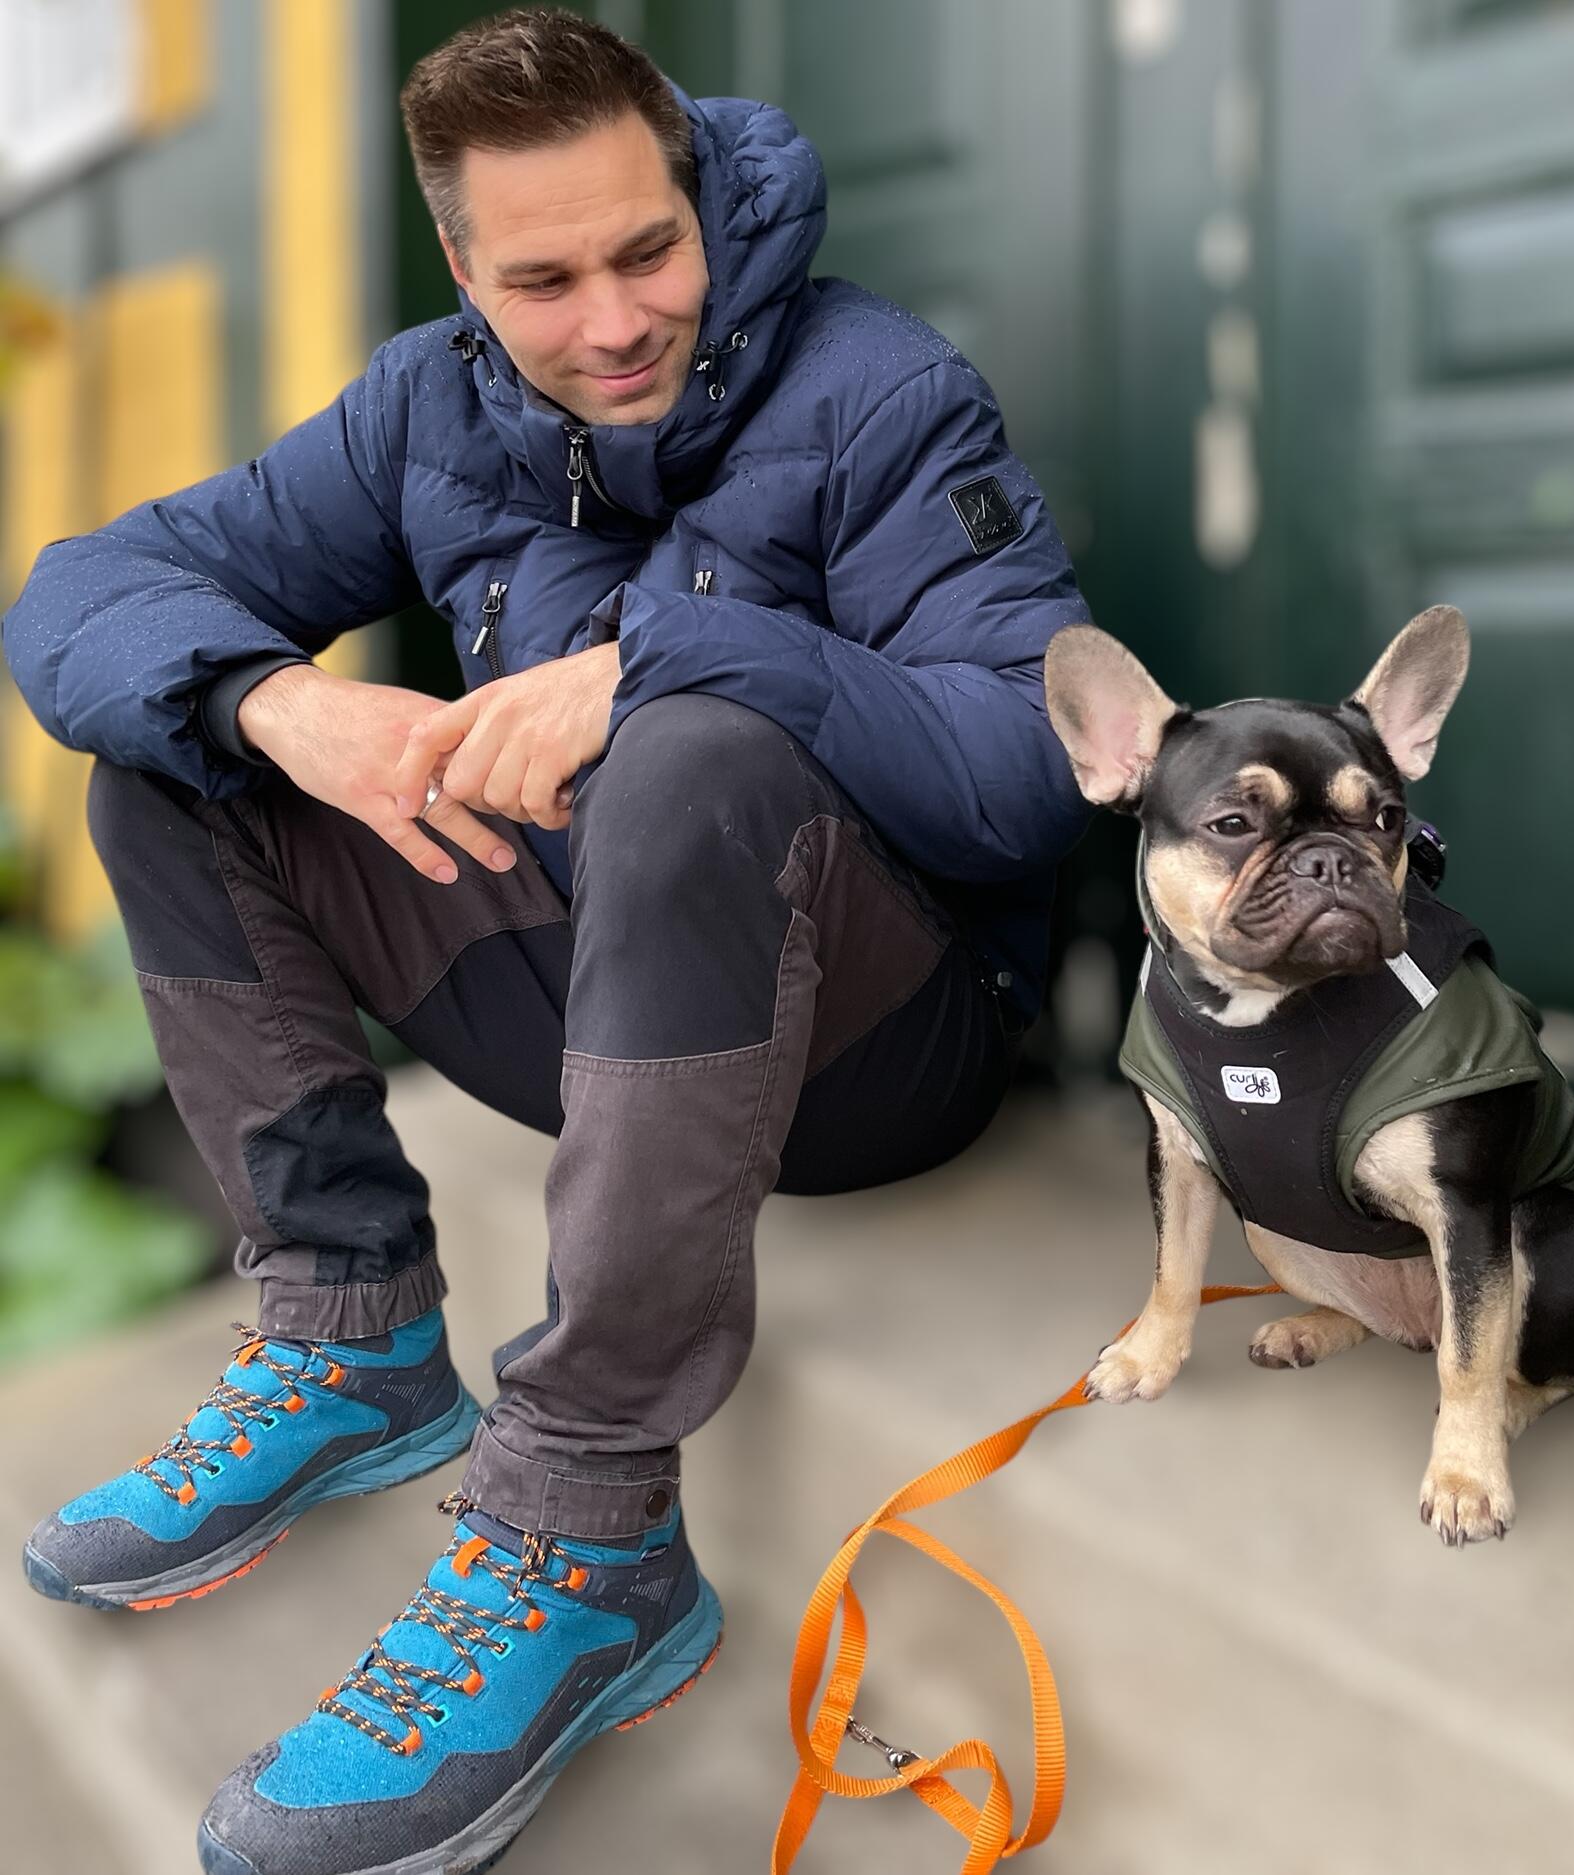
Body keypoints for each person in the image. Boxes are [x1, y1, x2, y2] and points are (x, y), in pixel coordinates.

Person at [3, 9, 1092, 1869]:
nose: (613, 322)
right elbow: (82, 594)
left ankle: (587, 1535)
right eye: (545, 281)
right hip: (598, 997)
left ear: (702, 202)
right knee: (173, 764)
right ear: (462, 273)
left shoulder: (884, 392)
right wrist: (281, 703)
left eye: (649, 251)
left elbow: (1025, 771)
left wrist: (664, 658)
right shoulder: (426, 408)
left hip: (885, 1047)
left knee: (691, 753)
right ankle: (350, 1335)